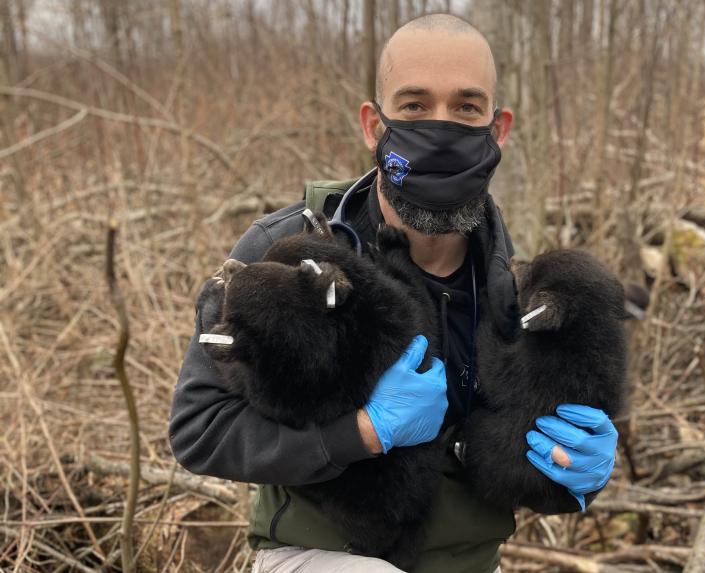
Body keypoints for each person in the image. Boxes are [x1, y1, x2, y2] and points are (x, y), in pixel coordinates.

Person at [169, 13, 618, 573]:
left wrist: (580, 470)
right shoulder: (289, 250)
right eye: (413, 106)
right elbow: (198, 430)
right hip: (322, 557)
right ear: (372, 124)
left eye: (466, 108)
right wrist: (362, 433)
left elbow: (532, 452)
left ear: (497, 129)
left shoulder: (519, 289)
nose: (441, 125)